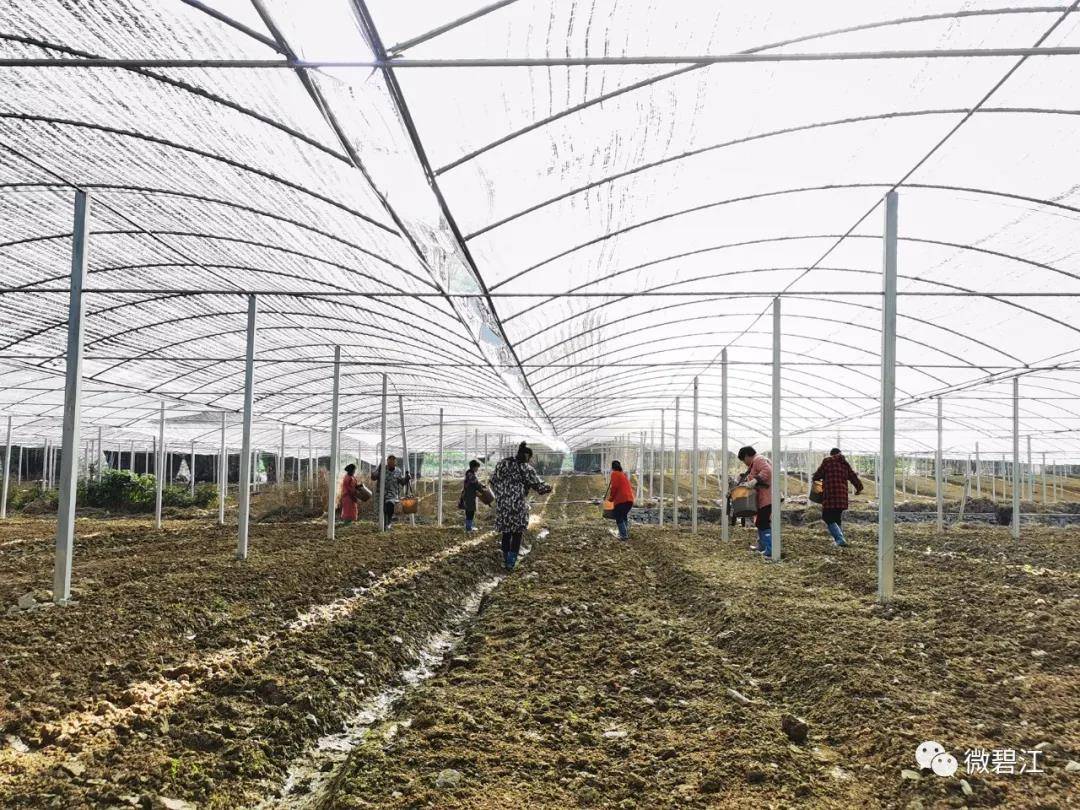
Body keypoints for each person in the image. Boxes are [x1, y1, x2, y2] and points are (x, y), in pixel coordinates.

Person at [489, 441, 551, 570]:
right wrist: (548, 488)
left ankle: (506, 558)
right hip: (517, 506)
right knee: (517, 533)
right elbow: (538, 485)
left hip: (503, 506)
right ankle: (511, 562)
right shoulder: (525, 468)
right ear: (527, 456)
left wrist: (501, 495)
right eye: (530, 458)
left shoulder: (502, 464)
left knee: (506, 532)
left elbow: (493, 481)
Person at [812, 448, 863, 547]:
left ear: (831, 454)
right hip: (842, 496)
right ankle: (840, 540)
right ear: (840, 454)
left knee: (826, 516)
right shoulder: (845, 464)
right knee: (836, 518)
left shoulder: (827, 461)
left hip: (830, 495)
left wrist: (817, 478)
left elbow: (817, 475)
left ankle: (840, 539)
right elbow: (853, 477)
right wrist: (859, 488)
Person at [737, 446, 773, 558]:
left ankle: (770, 549)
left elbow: (767, 471)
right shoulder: (754, 463)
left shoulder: (758, 459)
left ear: (748, 455)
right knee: (759, 522)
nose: (745, 463)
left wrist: (755, 480)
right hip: (762, 498)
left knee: (763, 523)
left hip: (766, 498)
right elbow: (755, 474)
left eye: (744, 460)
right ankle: (762, 546)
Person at [371, 454, 410, 530]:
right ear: (387, 462)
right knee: (382, 510)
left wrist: (407, 479)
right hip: (381, 494)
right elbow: (373, 477)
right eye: (390, 461)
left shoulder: (398, 471)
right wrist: (378, 468)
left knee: (390, 505)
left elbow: (402, 482)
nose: (391, 462)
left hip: (392, 493)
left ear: (396, 462)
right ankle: (385, 524)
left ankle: (388, 522)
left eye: (393, 461)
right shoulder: (382, 469)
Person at [606, 460, 634, 541]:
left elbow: (614, 487)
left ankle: (624, 535)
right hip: (629, 500)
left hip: (621, 500)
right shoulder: (623, 474)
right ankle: (625, 533)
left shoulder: (614, 474)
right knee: (623, 516)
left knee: (618, 517)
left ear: (612, 467)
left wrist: (610, 499)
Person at [459, 459, 482, 532]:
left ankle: (469, 526)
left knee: (469, 510)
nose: (477, 469)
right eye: (477, 467)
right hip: (469, 495)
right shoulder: (470, 474)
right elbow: (477, 484)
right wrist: (482, 489)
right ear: (473, 467)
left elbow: (476, 484)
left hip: (469, 494)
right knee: (470, 511)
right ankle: (468, 528)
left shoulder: (469, 473)